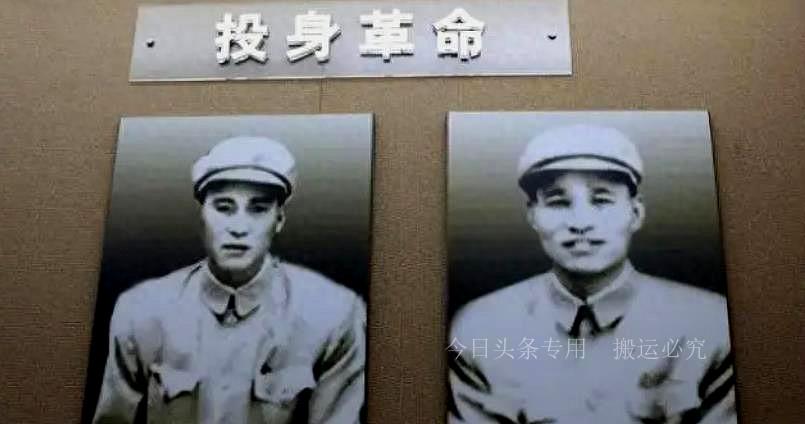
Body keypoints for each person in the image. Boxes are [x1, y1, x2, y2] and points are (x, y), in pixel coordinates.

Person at [448, 125, 736, 423]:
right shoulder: (478, 329)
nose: (580, 222)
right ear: (532, 215)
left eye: (601, 200)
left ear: (635, 213)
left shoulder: (710, 325)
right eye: (558, 202)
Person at [93, 136, 366, 424]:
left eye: (258, 209)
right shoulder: (142, 311)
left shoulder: (334, 315)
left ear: (279, 220)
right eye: (224, 207)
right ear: (202, 215)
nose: (239, 227)